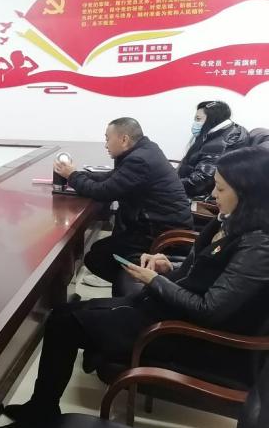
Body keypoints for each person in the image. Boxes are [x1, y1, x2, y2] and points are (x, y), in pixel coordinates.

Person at [0, 146, 269, 428]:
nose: (213, 194)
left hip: (193, 337)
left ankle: (41, 417)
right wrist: (168, 266)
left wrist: (156, 281)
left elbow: (209, 309)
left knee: (63, 326)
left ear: (249, 193)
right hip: (169, 310)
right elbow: (201, 270)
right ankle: (41, 407)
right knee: (61, 314)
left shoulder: (258, 246)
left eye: (221, 188)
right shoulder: (229, 220)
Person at [53, 118, 192, 295]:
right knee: (98, 251)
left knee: (98, 256)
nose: (105, 145)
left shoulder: (138, 160)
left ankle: (143, 290)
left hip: (159, 234)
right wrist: (78, 175)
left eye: (107, 139)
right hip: (156, 225)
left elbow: (103, 192)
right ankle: (132, 284)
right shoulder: (146, 150)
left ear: (124, 139)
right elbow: (113, 178)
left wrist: (72, 176)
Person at [177, 100, 249, 198]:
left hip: (193, 195)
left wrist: (169, 184)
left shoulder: (219, 145)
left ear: (212, 119)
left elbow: (201, 181)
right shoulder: (233, 130)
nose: (195, 123)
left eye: (198, 119)